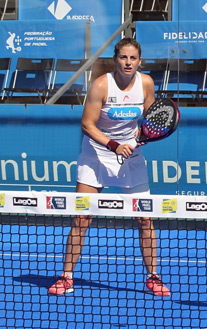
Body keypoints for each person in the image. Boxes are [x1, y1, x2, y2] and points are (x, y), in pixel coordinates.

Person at [48, 38, 170, 297]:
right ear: (116, 59)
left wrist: (142, 136)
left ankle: (153, 276)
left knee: (145, 219)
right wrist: (113, 145)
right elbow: (87, 125)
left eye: (133, 58)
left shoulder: (146, 83)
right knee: (82, 217)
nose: (128, 63)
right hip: (96, 155)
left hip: (132, 157)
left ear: (140, 60)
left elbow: (150, 118)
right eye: (123, 57)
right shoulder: (101, 85)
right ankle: (66, 276)